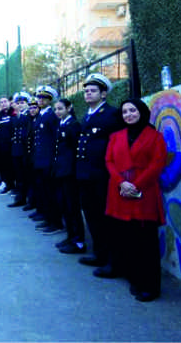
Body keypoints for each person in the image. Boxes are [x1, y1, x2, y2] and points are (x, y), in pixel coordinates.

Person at [105, 99, 167, 302]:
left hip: (144, 193)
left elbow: (157, 163)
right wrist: (122, 183)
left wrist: (136, 185)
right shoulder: (116, 136)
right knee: (126, 237)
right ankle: (134, 277)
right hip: (120, 192)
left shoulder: (155, 136)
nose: (128, 115)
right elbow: (109, 161)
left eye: (132, 110)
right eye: (125, 112)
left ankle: (150, 286)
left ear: (141, 112)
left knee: (146, 241)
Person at [75, 73, 122, 276]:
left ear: (103, 94)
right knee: (91, 216)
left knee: (106, 219)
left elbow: (118, 145)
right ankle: (99, 254)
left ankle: (113, 262)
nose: (88, 93)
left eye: (92, 91)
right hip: (86, 174)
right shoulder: (87, 114)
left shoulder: (111, 114)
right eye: (86, 91)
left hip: (102, 175)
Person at [51, 99, 84, 254]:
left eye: (60, 108)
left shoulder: (73, 125)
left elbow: (75, 150)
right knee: (64, 205)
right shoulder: (62, 124)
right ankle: (71, 236)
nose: (57, 112)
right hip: (61, 170)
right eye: (56, 109)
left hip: (70, 172)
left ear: (69, 108)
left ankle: (78, 240)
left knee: (73, 206)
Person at [8, 93, 31, 207]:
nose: (20, 105)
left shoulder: (29, 116)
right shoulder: (16, 117)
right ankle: (20, 198)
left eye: (22, 103)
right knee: (19, 176)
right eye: (18, 103)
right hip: (16, 149)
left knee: (27, 176)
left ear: (27, 104)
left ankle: (29, 200)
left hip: (25, 150)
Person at [0, 96, 15, 194]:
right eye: (1, 102)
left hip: (13, 145)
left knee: (14, 167)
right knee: (5, 167)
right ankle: (8, 185)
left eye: (5, 101)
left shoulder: (14, 113)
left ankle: (15, 187)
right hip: (3, 146)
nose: (3, 104)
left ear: (9, 102)